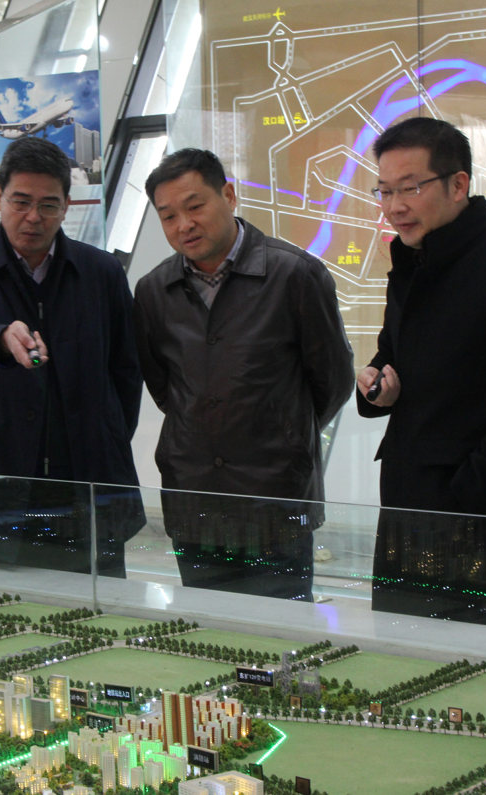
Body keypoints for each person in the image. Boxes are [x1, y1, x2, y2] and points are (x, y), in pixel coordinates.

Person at [357, 117, 486, 629]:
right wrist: (375, 385)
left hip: (479, 514)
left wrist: (472, 490)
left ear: (458, 184)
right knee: (403, 655)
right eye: (384, 190)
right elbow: (391, 354)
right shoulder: (412, 262)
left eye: (410, 188)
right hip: (408, 501)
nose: (394, 206)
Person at [133, 149, 354, 601]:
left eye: (195, 206)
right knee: (207, 626)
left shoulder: (295, 275)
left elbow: (332, 380)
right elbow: (164, 386)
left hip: (275, 498)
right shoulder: (154, 290)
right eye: (168, 216)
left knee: (283, 629)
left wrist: (282, 434)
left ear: (229, 196)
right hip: (193, 496)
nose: (184, 225)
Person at [0, 137, 143, 576]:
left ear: (67, 206)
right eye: (21, 202)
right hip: (0, 480)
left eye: (48, 205)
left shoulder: (101, 272)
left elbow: (127, 371)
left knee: (94, 611)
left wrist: (106, 434)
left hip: (86, 481)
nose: (33, 217)